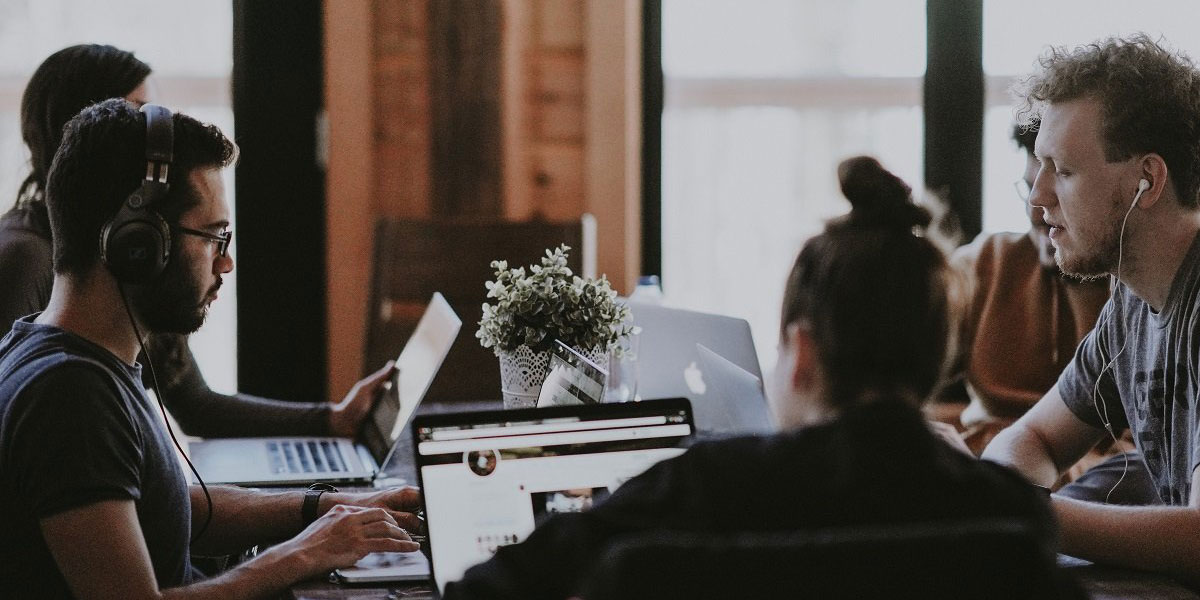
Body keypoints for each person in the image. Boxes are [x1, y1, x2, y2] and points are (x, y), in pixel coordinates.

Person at [443, 157, 1056, 599]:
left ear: (804, 352)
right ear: (937, 357)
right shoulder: (1007, 514)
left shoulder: (701, 486)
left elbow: (488, 590)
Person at [0, 99, 423, 597]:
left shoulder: (60, 352)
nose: (226, 265)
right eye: (214, 237)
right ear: (137, 244)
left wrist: (326, 509)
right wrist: (307, 551)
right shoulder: (70, 395)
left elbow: (176, 506)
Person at [0, 43, 386, 439]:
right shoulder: (25, 258)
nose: (157, 143)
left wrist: (332, 419)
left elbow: (198, 406)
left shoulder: (147, 250)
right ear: (85, 127)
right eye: (137, 115)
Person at [981, 34, 1200, 581]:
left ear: (1146, 181)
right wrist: (1005, 495)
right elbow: (1032, 437)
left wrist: (1026, 512)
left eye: (1065, 171)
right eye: (1040, 168)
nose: (1038, 198)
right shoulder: (1131, 300)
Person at [942, 122, 1158, 505]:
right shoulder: (984, 265)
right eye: (1029, 187)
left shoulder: (1139, 296)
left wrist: (1017, 503)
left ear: (1143, 184)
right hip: (1005, 467)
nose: (1037, 208)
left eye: (1063, 184)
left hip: (1100, 486)